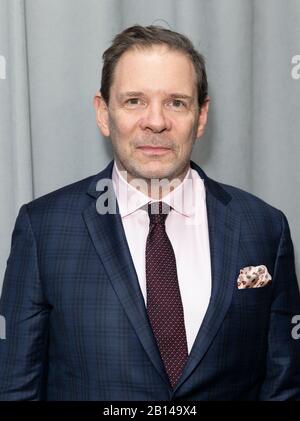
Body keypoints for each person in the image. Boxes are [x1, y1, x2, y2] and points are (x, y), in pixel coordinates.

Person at [0, 25, 300, 401]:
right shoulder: (43, 229)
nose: (156, 122)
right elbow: (15, 390)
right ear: (104, 113)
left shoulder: (264, 227)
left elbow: (283, 387)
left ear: (201, 116)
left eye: (176, 102)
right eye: (134, 101)